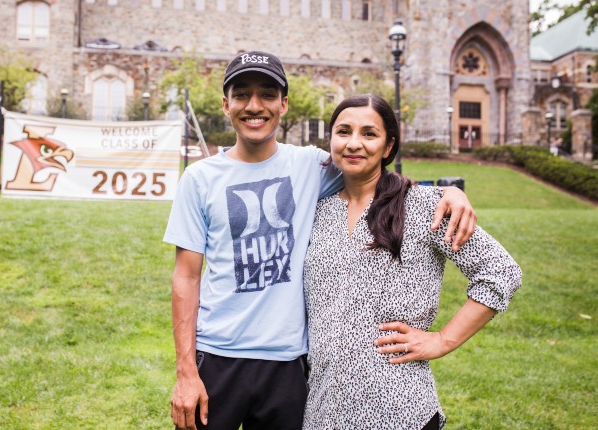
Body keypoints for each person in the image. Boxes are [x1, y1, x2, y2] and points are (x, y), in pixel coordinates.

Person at [163, 51, 477, 430]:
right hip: (217, 357)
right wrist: (185, 371)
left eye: (267, 94)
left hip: (290, 364)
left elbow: (372, 175)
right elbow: (186, 278)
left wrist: (448, 193)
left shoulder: (312, 165)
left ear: (284, 104)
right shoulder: (199, 179)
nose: (254, 106)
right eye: (242, 94)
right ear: (225, 104)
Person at [302, 94, 522, 429]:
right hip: (322, 410)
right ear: (330, 139)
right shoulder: (315, 210)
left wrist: (442, 340)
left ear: (388, 147)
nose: (354, 143)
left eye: (369, 134)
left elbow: (500, 272)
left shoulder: (422, 207)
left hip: (399, 408)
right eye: (343, 131)